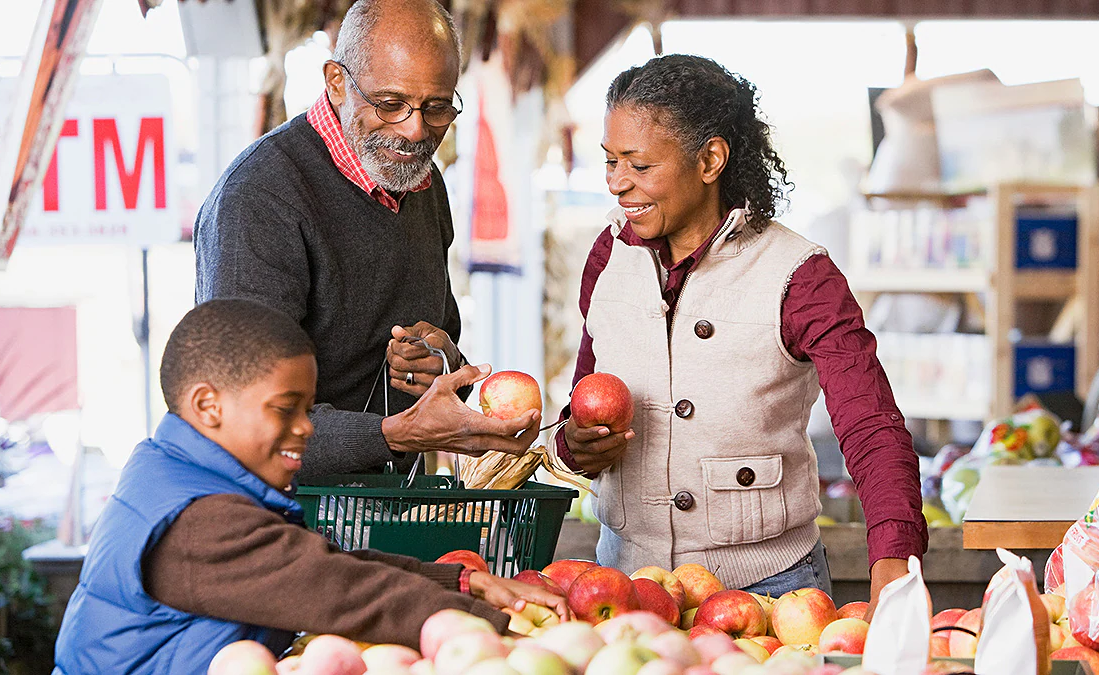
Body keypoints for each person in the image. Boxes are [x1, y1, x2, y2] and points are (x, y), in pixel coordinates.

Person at [557, 54, 927, 615]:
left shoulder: (801, 276)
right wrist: (576, 445)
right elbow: (580, 404)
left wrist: (894, 560)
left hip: (774, 594)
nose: (617, 184)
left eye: (638, 164)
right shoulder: (607, 259)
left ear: (709, 159)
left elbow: (870, 424)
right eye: (610, 162)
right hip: (626, 588)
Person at [52, 299, 568, 674]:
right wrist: (511, 637)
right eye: (285, 409)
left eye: (307, 409)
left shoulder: (170, 473)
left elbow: (322, 563)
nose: (305, 427)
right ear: (208, 406)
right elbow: (345, 595)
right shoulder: (198, 522)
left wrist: (463, 581)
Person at [193, 0, 537, 479]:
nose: (415, 129)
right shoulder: (259, 199)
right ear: (336, 83)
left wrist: (439, 362)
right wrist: (393, 435)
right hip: (280, 528)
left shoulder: (423, 183)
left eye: (437, 107)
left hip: (383, 518)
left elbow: (446, 346)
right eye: (390, 104)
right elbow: (244, 423)